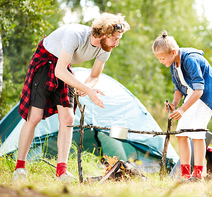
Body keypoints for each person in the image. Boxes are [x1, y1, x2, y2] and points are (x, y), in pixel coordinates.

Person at [13, 13, 130, 182]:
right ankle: (20, 168)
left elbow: (95, 75)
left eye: (119, 39)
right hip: (45, 61)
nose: (117, 43)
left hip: (63, 65)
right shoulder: (75, 35)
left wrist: (87, 86)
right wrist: (86, 89)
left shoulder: (106, 48)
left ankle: (61, 171)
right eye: (115, 39)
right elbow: (59, 71)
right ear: (103, 34)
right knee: (35, 117)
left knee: (68, 117)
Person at [152, 30, 212, 181]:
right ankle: (185, 175)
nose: (161, 61)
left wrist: (183, 109)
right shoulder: (173, 63)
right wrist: (175, 105)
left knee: (197, 132)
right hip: (192, 94)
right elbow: (179, 87)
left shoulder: (190, 60)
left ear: (173, 52)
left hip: (206, 96)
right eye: (158, 59)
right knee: (181, 133)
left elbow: (199, 90)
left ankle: (198, 175)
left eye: (162, 58)